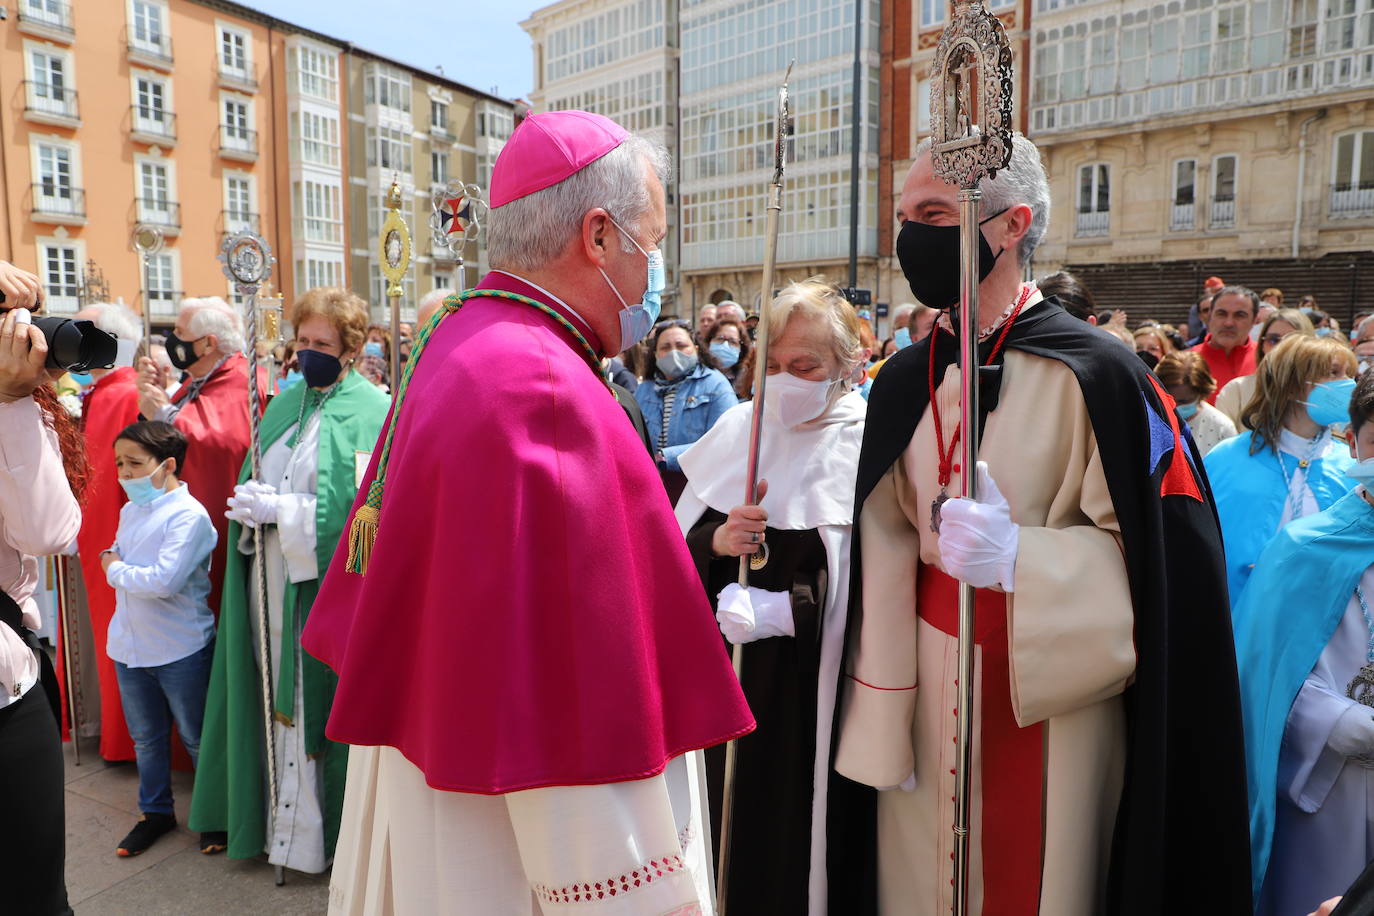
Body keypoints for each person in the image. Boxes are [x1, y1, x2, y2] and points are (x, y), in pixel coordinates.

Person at [299, 110, 753, 914]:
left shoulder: (463, 337)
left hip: (444, 769)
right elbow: (575, 698)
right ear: (600, 236)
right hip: (518, 841)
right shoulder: (542, 389)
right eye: (651, 246)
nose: (654, 276)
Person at [829, 133, 1250, 915]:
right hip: (919, 691)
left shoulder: (1104, 375)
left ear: (1011, 225)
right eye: (902, 215)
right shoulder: (901, 378)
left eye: (931, 213)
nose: (907, 236)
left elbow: (1170, 567)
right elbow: (877, 539)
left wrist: (1026, 558)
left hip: (1054, 692)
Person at [676, 280, 867, 913]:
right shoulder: (738, 428)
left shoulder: (867, 442)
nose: (786, 380)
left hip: (813, 693)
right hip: (725, 683)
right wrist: (718, 544)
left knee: (795, 843)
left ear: (847, 364)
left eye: (806, 366)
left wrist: (793, 611)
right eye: (775, 366)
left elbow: (883, 576)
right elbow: (675, 551)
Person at [189, 287, 389, 869]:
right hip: (272, 579)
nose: (308, 352)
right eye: (302, 341)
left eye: (321, 343)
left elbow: (362, 513)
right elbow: (263, 473)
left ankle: (317, 840)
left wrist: (288, 514)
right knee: (271, 694)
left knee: (309, 699)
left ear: (350, 349)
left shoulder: (372, 411)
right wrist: (252, 510)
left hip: (324, 588)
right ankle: (274, 827)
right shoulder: (282, 404)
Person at [1233, 369, 1374, 915]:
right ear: (1349, 440)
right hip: (1326, 791)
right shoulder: (1302, 548)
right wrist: (1342, 723)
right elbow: (1263, 677)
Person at [0, 278, 84, 915]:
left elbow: (50, 532)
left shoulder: (16, 407)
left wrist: (12, 402)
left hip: (11, 684)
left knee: (36, 895)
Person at [102, 421, 216, 857]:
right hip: (130, 646)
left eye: (135, 464)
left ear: (167, 465)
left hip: (179, 646)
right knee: (146, 739)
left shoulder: (189, 516)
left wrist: (113, 569)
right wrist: (116, 565)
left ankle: (213, 814)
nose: (125, 474)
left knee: (197, 737)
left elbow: (164, 581)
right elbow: (120, 555)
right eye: (119, 464)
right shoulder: (132, 510)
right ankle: (156, 814)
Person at [1205, 334, 1359, 605]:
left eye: (1349, 373)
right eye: (1334, 373)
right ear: (1291, 385)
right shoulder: (1226, 459)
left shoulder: (1352, 466)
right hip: (1237, 620)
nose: (1348, 383)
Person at [136, 297, 258, 615]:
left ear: (207, 344)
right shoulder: (195, 380)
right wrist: (161, 398)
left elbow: (223, 444)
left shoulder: (241, 379)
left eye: (179, 330)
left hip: (214, 516)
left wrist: (163, 412)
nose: (173, 338)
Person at [66, 303, 145, 763]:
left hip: (115, 539)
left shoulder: (123, 394)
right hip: (98, 532)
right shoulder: (106, 391)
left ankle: (125, 740)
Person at [635, 319, 737, 502]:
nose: (674, 352)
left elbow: (726, 440)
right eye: (665, 347)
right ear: (656, 354)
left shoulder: (716, 385)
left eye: (681, 345)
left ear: (696, 349)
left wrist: (667, 458)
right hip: (652, 490)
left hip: (699, 490)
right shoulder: (644, 390)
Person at [1216, 308, 1316, 426]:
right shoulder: (1235, 391)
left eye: (1291, 340)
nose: (1280, 347)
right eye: (1273, 340)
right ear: (1262, 346)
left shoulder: (1322, 392)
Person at [1154, 350, 1236, 455]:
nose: (1175, 407)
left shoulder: (1222, 428)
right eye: (1168, 400)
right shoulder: (1148, 419)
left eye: (1184, 401)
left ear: (1201, 394)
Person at [1191, 285, 1259, 402]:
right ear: (1210, 316)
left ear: (1254, 320)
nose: (1228, 323)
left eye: (1239, 315)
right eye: (1221, 314)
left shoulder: (1267, 360)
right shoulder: (1185, 362)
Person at [703, 315, 750, 390]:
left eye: (732, 342)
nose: (725, 345)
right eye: (720, 339)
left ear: (741, 349)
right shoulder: (698, 376)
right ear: (709, 342)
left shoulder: (747, 382)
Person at [1188, 275, 1226, 340]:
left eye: (1221, 290)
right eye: (1217, 290)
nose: (1220, 293)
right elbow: (1194, 331)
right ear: (1207, 291)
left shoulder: (1229, 305)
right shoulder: (1196, 308)